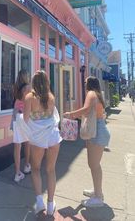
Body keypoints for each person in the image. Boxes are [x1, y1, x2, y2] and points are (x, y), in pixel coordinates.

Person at [64, 76, 110, 208]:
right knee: (94, 164)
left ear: (89, 84)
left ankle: (98, 197)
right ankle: (97, 191)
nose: (84, 85)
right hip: (98, 130)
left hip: (96, 132)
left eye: (85, 82)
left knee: (94, 165)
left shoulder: (91, 93)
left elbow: (86, 109)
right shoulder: (97, 94)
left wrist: (71, 114)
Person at [23, 70, 62, 216]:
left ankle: (40, 203)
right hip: (53, 137)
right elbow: (52, 117)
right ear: (46, 82)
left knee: (36, 169)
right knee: (51, 170)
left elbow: (26, 119)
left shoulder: (29, 98)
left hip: (38, 138)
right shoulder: (51, 97)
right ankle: (51, 205)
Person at [12, 69, 31, 183]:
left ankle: (17, 173)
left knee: (17, 145)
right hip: (25, 115)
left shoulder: (15, 87)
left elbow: (16, 102)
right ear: (25, 76)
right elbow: (30, 102)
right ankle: (27, 165)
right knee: (27, 142)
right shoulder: (28, 87)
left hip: (15, 115)